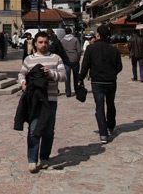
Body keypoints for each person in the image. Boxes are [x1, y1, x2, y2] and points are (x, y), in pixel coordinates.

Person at [16, 31, 66, 173]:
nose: (43, 45)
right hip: (34, 100)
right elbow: (21, 74)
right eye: (41, 42)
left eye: (45, 42)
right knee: (33, 129)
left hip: (50, 99)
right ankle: (32, 159)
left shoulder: (56, 58)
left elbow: (63, 76)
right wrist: (23, 82)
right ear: (36, 44)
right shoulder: (29, 59)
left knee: (48, 130)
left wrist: (50, 74)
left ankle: (44, 157)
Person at [78, 24, 122, 144]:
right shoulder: (113, 49)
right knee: (110, 103)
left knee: (99, 106)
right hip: (111, 81)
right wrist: (112, 73)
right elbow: (119, 66)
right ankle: (111, 126)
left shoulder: (91, 49)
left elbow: (85, 65)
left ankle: (103, 134)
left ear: (97, 34)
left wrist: (80, 78)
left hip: (97, 81)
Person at [60, 27, 81, 97]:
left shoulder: (62, 40)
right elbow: (79, 50)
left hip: (66, 60)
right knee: (76, 76)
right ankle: (77, 91)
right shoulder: (75, 39)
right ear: (71, 32)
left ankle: (68, 92)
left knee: (67, 77)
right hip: (75, 59)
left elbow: (62, 51)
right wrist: (78, 57)